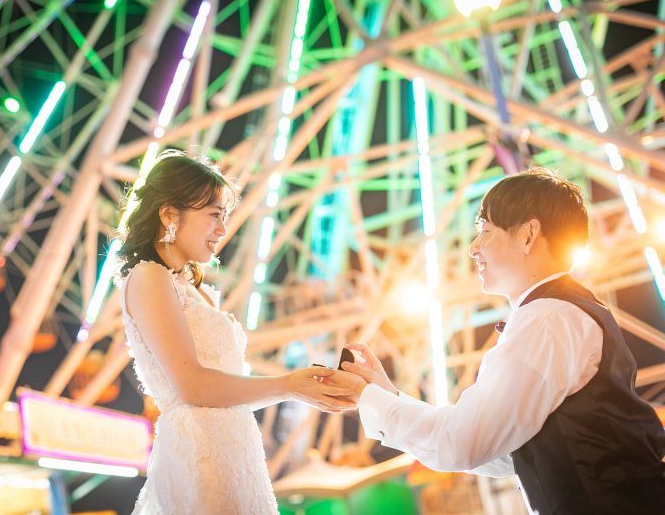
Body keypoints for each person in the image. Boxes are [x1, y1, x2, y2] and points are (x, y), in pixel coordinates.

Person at [327, 168, 665, 514]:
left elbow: (462, 442)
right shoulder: (569, 311)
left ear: (529, 235)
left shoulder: (545, 320)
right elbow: (501, 450)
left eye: (484, 231)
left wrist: (370, 398)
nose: (473, 248)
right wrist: (386, 399)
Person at [116, 150, 356, 515]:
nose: (223, 231)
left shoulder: (195, 290)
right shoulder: (149, 277)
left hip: (237, 455)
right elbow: (193, 387)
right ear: (168, 214)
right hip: (200, 458)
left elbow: (226, 393)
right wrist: (287, 384)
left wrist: (297, 388)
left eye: (224, 217)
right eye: (213, 215)